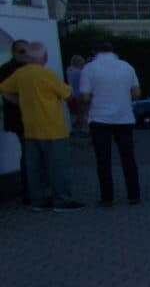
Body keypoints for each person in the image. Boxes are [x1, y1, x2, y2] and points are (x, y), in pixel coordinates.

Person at [0, 41, 84, 211]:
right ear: (43, 57)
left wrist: (18, 102)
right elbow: (68, 94)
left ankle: (38, 201)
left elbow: (4, 89)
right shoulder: (47, 75)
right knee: (58, 166)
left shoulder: (20, 74)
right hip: (52, 128)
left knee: (35, 167)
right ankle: (62, 200)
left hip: (30, 127)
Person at [79, 40, 141, 206]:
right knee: (128, 158)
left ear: (95, 52)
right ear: (112, 51)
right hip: (124, 117)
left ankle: (107, 197)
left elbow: (84, 96)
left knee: (103, 160)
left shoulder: (89, 68)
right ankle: (134, 195)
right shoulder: (127, 66)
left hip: (99, 119)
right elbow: (136, 93)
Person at [0, 39, 31, 203]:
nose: (25, 54)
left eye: (27, 50)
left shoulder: (30, 68)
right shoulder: (7, 69)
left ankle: (33, 189)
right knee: (28, 154)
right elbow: (6, 92)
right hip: (19, 118)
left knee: (31, 153)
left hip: (32, 117)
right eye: (21, 51)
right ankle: (29, 192)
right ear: (14, 52)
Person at [65, 54, 87, 135]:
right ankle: (83, 129)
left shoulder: (69, 70)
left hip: (72, 93)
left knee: (76, 112)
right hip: (80, 94)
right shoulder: (79, 72)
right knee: (83, 112)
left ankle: (75, 127)